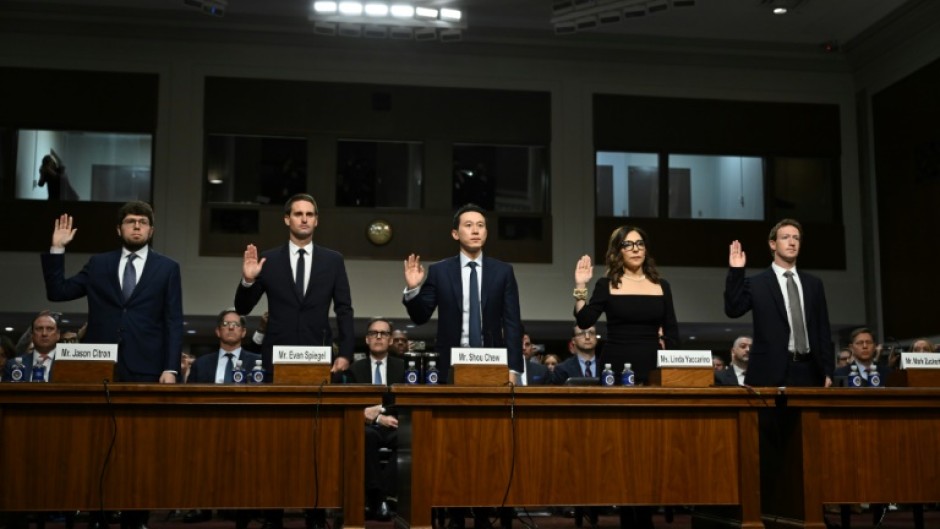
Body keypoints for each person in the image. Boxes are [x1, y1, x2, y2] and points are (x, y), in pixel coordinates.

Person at [41, 202, 183, 384]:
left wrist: (171, 368)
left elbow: (174, 322)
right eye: (130, 221)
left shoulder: (168, 268)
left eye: (143, 222)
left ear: (151, 231)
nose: (137, 226)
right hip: (99, 362)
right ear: (118, 229)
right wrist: (57, 248)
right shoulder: (98, 264)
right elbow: (58, 292)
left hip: (148, 366)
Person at [234, 193, 354, 380]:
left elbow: (344, 309)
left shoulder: (333, 261)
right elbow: (243, 308)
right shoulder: (269, 260)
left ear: (316, 221)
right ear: (287, 219)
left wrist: (346, 353)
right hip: (276, 357)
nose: (304, 219)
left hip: (318, 354)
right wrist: (248, 281)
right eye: (298, 214)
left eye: (310, 214)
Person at [403, 203, 523, 384]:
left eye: (480, 226)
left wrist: (513, 368)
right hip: (450, 362)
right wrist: (413, 289)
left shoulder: (503, 272)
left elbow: (512, 324)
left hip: (492, 362)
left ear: (486, 233)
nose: (475, 230)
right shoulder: (439, 271)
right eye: (468, 225)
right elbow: (420, 317)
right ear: (455, 234)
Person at [724, 219, 834, 387]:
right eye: (786, 237)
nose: (792, 242)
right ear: (773, 244)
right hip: (769, 371)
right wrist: (736, 271)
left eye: (796, 238)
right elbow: (733, 309)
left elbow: (823, 329)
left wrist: (828, 371)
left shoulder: (814, 284)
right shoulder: (757, 283)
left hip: (810, 370)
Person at [573, 225, 679, 385]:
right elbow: (584, 320)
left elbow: (672, 332)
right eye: (628, 244)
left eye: (640, 244)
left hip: (654, 366)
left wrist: (674, 369)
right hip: (615, 366)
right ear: (617, 251)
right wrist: (580, 285)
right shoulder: (606, 284)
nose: (635, 249)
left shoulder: (662, 285)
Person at [346, 318, 405, 522]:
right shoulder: (355, 369)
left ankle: (380, 497)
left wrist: (379, 411)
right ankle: (380, 499)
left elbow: (404, 401)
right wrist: (378, 418)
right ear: (367, 339)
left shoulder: (402, 367)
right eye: (374, 333)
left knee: (409, 440)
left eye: (384, 333)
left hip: (395, 424)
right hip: (366, 425)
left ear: (390, 340)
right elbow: (352, 403)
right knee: (365, 437)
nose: (379, 337)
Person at [188, 309, 261, 384]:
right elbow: (189, 394)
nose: (231, 328)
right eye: (225, 324)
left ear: (243, 332)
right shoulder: (200, 364)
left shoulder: (257, 362)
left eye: (236, 324)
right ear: (218, 331)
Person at [3, 311, 59, 382]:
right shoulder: (12, 365)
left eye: (49, 329)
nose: (44, 333)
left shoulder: (68, 364)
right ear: (32, 335)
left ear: (58, 335)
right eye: (39, 329)